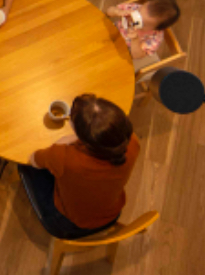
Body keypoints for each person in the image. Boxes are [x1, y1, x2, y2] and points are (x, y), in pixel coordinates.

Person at [21, 94, 140, 239]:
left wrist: (62, 143)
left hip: (69, 224)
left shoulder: (64, 157)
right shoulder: (133, 142)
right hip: (112, 214)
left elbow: (33, 159)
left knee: (25, 165)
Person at [106, 0, 180, 61]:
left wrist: (135, 39)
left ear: (156, 29)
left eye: (142, 23)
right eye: (138, 12)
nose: (133, 19)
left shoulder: (154, 38)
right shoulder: (133, 8)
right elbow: (108, 12)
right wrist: (118, 12)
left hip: (124, 52)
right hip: (110, 33)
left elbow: (137, 56)